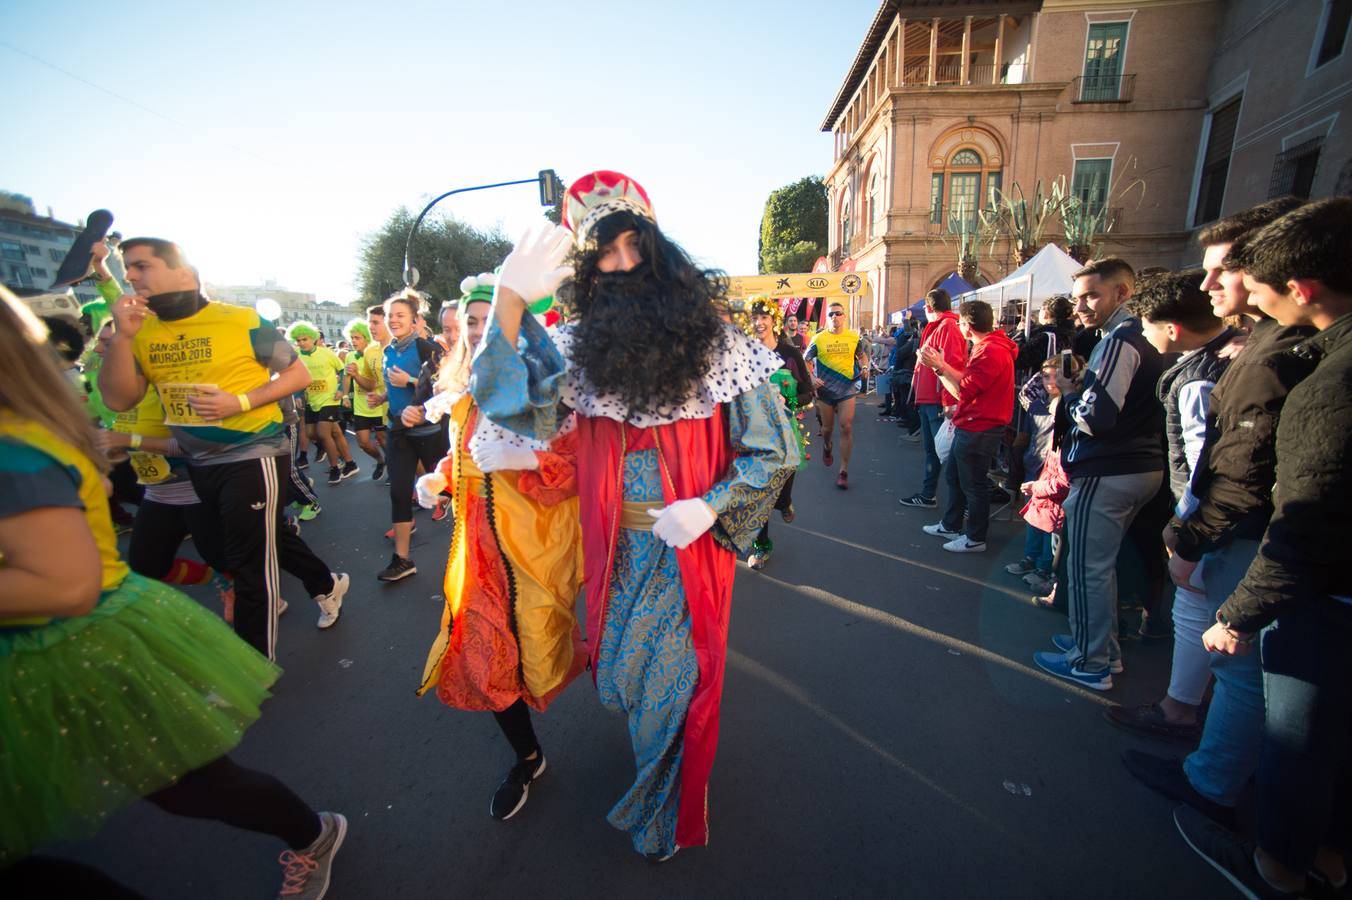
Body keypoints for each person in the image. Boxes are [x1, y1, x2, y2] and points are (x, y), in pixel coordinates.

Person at [472, 170, 798, 860]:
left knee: (665, 687)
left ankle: (663, 816)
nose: (621, 265)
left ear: (657, 249)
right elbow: (507, 404)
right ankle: (662, 763)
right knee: (623, 676)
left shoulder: (718, 344)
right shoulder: (576, 350)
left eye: (631, 247)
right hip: (614, 553)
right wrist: (506, 298)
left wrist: (712, 509)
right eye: (604, 254)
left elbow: (777, 451)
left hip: (685, 556)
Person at [0, 288, 345, 898]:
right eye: (107, 342)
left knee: (191, 783)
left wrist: (220, 407)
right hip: (173, 497)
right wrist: (126, 350)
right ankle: (293, 583)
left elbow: (67, 581)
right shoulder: (130, 370)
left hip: (222, 475)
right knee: (224, 560)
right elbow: (117, 400)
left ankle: (268, 674)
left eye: (119, 342)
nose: (113, 346)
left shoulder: (19, 445)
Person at [1173, 197, 1352, 899]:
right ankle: (1325, 862)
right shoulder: (1317, 359)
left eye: (1246, 277)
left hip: (1323, 598)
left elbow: (1303, 514)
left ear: (1299, 289)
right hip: (1320, 584)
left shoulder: (1323, 380)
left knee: (1300, 745)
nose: (1218, 289)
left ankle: (1278, 870)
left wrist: (1239, 612)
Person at [1116, 198, 1315, 822]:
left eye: (1222, 269)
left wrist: (1190, 534)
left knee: (1240, 665)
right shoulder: (1255, 347)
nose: (1207, 286)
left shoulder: (1276, 353)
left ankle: (1214, 779)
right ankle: (1191, 729)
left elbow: (1241, 462)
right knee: (1223, 648)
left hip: (1247, 532)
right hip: (1230, 525)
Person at [97, 237, 348, 659]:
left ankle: (255, 669)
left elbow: (297, 375)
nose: (132, 276)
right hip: (195, 461)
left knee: (250, 566)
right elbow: (118, 399)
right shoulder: (140, 332)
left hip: (254, 452)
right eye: (127, 269)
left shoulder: (241, 319)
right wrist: (122, 338)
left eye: (142, 266)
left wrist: (240, 402)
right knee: (234, 550)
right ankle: (326, 583)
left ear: (184, 273)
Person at [409, 278, 586, 821]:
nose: (481, 329)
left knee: (536, 649)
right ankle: (527, 757)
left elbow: (575, 473)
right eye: (472, 321)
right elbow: (463, 459)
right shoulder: (460, 392)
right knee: (483, 658)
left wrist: (529, 462)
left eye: (492, 319)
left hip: (531, 552)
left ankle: (652, 736)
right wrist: (439, 479)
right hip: (475, 554)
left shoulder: (546, 388)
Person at [1097, 271, 1233, 744]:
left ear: (1169, 328)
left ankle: (1180, 708)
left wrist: (1187, 530)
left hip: (1207, 518)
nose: (1145, 336)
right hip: (1189, 498)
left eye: (1148, 325)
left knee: (1197, 610)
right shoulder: (1221, 359)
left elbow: (1202, 465)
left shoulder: (1197, 376)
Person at [1032, 258, 1164, 690]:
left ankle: (1091, 662)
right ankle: (1099, 650)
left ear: (1122, 293)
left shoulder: (1121, 340)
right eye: (1077, 298)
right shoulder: (1133, 337)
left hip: (1110, 469)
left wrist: (1070, 394)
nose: (1082, 306)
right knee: (1098, 567)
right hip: (1136, 467)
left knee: (1088, 568)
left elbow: (1096, 417)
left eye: (1091, 296)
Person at [918, 299, 1017, 553]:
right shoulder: (989, 347)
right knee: (955, 476)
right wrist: (943, 367)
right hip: (974, 423)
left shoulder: (990, 351)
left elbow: (964, 390)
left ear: (967, 325)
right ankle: (951, 525)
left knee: (973, 484)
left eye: (960, 322)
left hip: (980, 427)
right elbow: (968, 384)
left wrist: (939, 367)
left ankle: (975, 537)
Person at [376, 290, 447, 581]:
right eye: (390, 315)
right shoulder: (388, 350)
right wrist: (381, 396)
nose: (394, 320)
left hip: (430, 433)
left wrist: (410, 381)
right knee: (398, 492)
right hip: (399, 431)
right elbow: (394, 388)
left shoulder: (427, 348)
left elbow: (445, 388)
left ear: (415, 320)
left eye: (400, 315)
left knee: (451, 492)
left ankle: (473, 554)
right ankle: (402, 560)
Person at [743, 297, 812, 570]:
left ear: (774, 321)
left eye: (764, 318)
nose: (759, 323)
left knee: (782, 482)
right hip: (754, 434)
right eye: (754, 318)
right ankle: (761, 547)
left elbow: (808, 391)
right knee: (759, 492)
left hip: (785, 431)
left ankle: (785, 501)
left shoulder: (790, 353)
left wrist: (788, 401)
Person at [899, 288, 967, 508]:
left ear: (928, 308)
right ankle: (929, 495)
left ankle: (962, 505)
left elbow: (954, 364)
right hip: (929, 398)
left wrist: (949, 400)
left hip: (938, 400)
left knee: (946, 454)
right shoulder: (938, 326)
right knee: (934, 451)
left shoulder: (947, 327)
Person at [804, 300, 870, 488]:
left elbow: (862, 356)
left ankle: (843, 470)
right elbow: (806, 360)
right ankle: (827, 446)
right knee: (827, 430)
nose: (835, 317)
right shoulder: (819, 339)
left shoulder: (853, 337)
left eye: (838, 313)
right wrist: (811, 377)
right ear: (827, 318)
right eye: (831, 314)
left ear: (844, 316)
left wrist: (864, 367)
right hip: (825, 389)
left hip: (846, 388)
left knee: (846, 426)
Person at [289, 321, 358, 486]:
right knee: (316, 433)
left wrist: (342, 390)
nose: (301, 343)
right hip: (311, 400)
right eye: (298, 340)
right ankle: (349, 463)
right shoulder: (296, 355)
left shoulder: (326, 353)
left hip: (329, 398)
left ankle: (335, 468)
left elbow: (342, 370)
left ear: (313, 338)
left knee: (323, 433)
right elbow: (296, 377)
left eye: (304, 339)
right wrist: (298, 394)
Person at [343, 318, 388, 481]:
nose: (354, 341)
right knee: (363, 443)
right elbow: (346, 377)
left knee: (383, 439)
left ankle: (393, 467)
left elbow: (372, 385)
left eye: (358, 338)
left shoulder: (375, 354)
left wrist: (357, 375)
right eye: (352, 338)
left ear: (367, 338)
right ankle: (381, 460)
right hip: (361, 406)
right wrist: (344, 395)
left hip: (379, 404)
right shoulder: (349, 356)